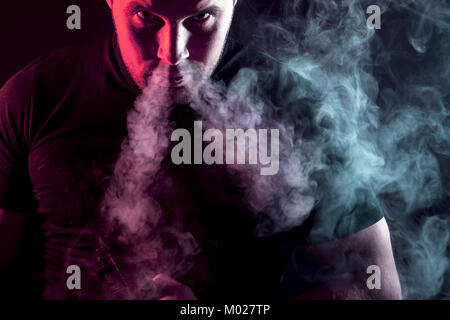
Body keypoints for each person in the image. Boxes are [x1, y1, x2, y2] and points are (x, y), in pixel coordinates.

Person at [0, 0, 402, 300]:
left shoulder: (297, 108)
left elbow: (375, 287)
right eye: (145, 16)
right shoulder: (34, 96)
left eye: (200, 18)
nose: (172, 52)